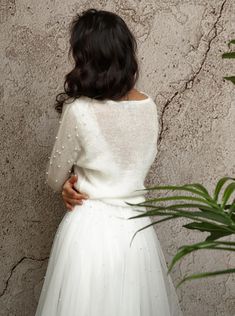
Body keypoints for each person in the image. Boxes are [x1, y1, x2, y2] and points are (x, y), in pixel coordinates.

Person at [35, 8, 183, 316]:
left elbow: (53, 177)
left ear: (86, 57)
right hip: (137, 233)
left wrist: (65, 185)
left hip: (89, 233)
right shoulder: (149, 107)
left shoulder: (80, 110)